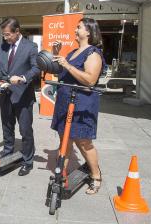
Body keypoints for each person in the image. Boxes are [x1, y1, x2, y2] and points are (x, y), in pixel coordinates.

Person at [51, 18, 105, 194]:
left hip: (82, 105)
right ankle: (61, 176)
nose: (75, 30)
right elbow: (63, 74)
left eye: (79, 27)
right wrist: (55, 56)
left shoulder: (93, 53)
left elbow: (90, 80)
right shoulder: (72, 52)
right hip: (65, 103)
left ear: (89, 32)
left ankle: (96, 175)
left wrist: (66, 64)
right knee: (64, 140)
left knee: (83, 142)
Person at [0, 17, 40, 176]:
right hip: (5, 93)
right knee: (7, 126)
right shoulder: (3, 47)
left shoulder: (31, 47)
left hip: (23, 95)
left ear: (17, 31)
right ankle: (8, 151)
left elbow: (36, 68)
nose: (5, 38)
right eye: (4, 35)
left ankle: (27, 161)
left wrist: (23, 78)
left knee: (25, 130)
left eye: (8, 34)